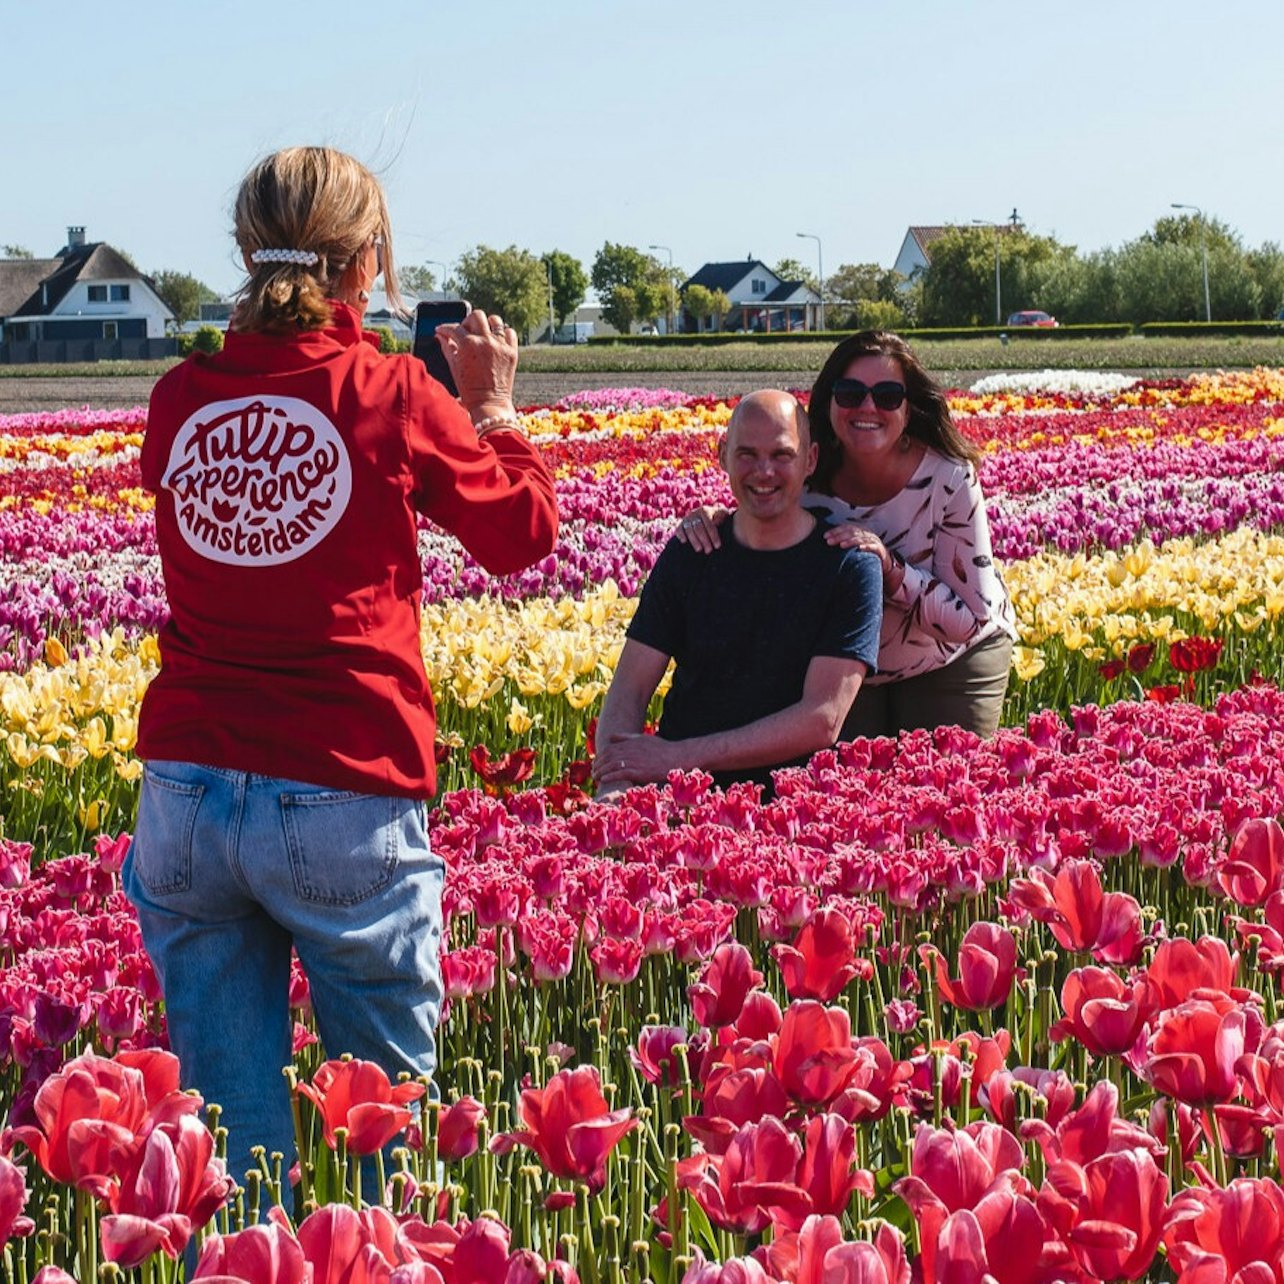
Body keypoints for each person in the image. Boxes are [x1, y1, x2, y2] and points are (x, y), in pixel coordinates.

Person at [122, 146, 559, 1185]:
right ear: (370, 262)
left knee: (227, 1152)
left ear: (241, 249)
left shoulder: (181, 397)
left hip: (186, 784)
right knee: (386, 1150)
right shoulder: (392, 390)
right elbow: (522, 536)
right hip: (341, 778)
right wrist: (496, 408)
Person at [680, 332, 1016, 741]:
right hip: (844, 664)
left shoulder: (946, 476)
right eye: (850, 392)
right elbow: (761, 514)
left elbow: (967, 619)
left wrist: (890, 570)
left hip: (949, 656)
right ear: (829, 402)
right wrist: (719, 519)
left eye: (888, 395)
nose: (868, 407)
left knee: (945, 783)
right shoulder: (806, 473)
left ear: (908, 409)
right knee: (850, 789)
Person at [592, 390, 881, 797]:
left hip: (792, 806)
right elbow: (630, 688)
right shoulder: (692, 552)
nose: (763, 472)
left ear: (810, 460)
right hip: (683, 797)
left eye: (782, 455)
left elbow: (822, 718)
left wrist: (676, 758)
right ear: (722, 454)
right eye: (746, 454)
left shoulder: (847, 566)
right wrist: (616, 778)